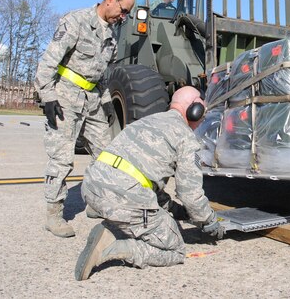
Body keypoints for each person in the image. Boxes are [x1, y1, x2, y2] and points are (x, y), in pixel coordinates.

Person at [75, 86, 224, 281]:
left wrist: (174, 209)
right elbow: (191, 194)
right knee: (175, 249)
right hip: (122, 197)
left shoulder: (147, 121)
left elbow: (145, 179)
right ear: (194, 111)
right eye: (201, 114)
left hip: (91, 188)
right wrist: (208, 220)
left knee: (150, 206)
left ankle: (110, 219)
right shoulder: (186, 138)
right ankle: (110, 247)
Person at [34, 0, 135, 238]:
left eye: (126, 14)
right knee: (62, 157)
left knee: (105, 153)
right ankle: (54, 214)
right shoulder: (76, 21)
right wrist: (47, 97)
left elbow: (101, 76)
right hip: (64, 97)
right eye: (123, 11)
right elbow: (47, 62)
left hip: (92, 100)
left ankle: (94, 200)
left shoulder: (111, 35)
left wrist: (107, 103)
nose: (123, 17)